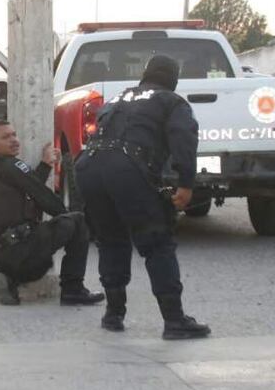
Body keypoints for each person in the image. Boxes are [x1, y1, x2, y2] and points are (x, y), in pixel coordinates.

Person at [74, 54, 211, 340]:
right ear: (173, 79)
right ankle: (174, 320)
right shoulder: (171, 102)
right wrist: (186, 183)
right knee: (157, 242)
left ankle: (113, 314)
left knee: (111, 240)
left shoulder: (117, 99)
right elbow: (184, 139)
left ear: (145, 74)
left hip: (89, 167)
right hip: (126, 168)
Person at [0, 119, 105, 306]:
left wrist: (45, 165)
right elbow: (44, 198)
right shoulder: (10, 165)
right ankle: (73, 290)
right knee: (78, 221)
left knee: (49, 232)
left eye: (14, 135)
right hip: (21, 253)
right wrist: (71, 218)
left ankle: (12, 279)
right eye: (6, 137)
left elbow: (29, 185)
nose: (14, 140)